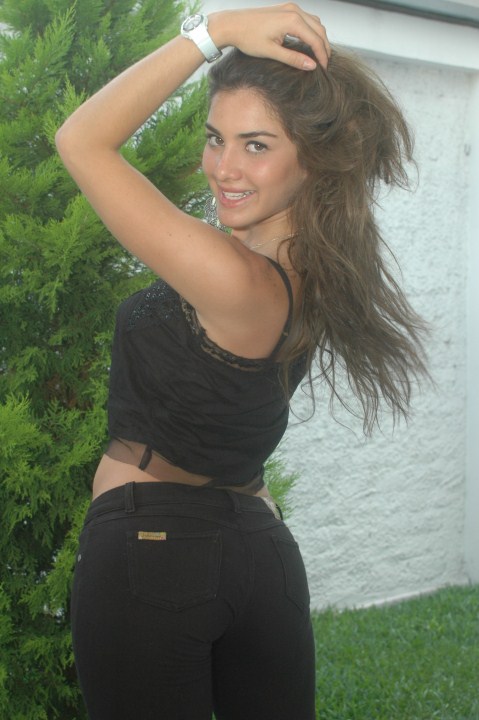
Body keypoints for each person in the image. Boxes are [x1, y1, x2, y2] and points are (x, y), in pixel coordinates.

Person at [56, 4, 427, 719]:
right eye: (215, 138)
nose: (223, 167)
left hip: (154, 556)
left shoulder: (233, 277)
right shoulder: (315, 271)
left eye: (255, 145)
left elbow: (82, 141)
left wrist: (213, 33)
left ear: (312, 157)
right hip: (260, 551)